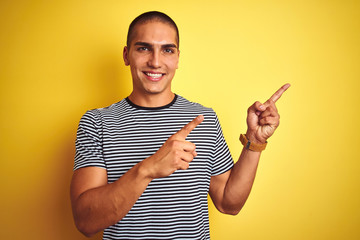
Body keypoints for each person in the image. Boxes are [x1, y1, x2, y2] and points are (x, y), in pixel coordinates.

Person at [70, 11, 290, 240]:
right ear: (127, 55)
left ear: (177, 58)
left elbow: (229, 203)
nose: (155, 62)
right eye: (143, 48)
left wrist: (255, 141)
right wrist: (148, 169)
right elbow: (86, 222)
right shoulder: (96, 122)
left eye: (167, 50)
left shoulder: (204, 118)